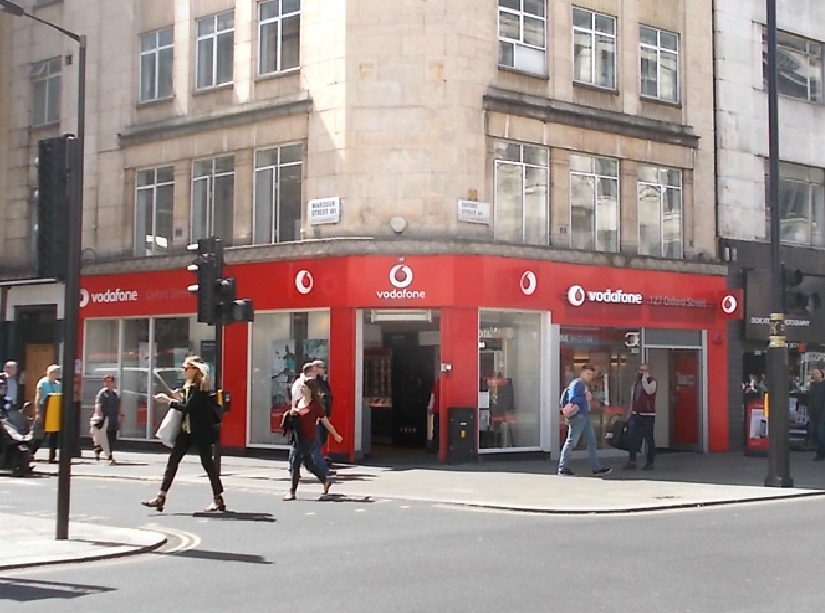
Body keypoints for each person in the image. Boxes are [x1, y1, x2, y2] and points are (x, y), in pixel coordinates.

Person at [141, 356, 225, 513]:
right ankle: (161, 497)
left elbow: (188, 408)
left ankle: (218, 499)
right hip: (186, 431)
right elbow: (186, 403)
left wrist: (168, 401)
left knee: (208, 465)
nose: (183, 371)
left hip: (200, 432)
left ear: (195, 369)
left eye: (185, 368)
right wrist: (177, 397)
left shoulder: (201, 388)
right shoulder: (189, 386)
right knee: (172, 462)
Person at [283, 378, 343, 501]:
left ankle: (294, 490)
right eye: (301, 387)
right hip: (297, 438)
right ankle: (323, 481)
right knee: (300, 463)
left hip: (308, 439)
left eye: (304, 387)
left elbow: (325, 422)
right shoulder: (298, 402)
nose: (301, 389)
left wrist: (335, 435)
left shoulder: (315, 406)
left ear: (310, 389)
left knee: (303, 463)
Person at [558, 365, 611, 477]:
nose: (589, 376)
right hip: (578, 416)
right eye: (587, 373)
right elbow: (573, 399)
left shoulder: (581, 384)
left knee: (591, 441)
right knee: (571, 441)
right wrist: (585, 398)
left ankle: (596, 468)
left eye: (591, 374)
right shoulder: (577, 384)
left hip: (584, 416)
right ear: (582, 373)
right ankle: (563, 467)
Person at [623, 363, 658, 471]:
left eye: (645, 370)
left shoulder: (652, 382)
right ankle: (632, 461)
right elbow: (633, 399)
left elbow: (649, 391)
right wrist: (629, 413)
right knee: (631, 437)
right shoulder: (635, 383)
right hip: (635, 414)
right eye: (641, 370)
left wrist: (644, 380)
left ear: (649, 371)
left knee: (648, 438)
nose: (642, 372)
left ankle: (650, 462)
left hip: (648, 415)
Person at [34, 364, 62, 464]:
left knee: (54, 433)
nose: (56, 374)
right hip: (44, 408)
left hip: (54, 409)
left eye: (57, 372)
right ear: (49, 373)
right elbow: (38, 397)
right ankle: (31, 452)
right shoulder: (42, 383)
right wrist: (37, 412)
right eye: (54, 372)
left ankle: (52, 456)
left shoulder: (58, 384)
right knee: (40, 432)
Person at [93, 374, 121, 465]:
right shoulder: (102, 393)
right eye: (105, 382)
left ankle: (99, 448)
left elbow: (119, 405)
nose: (107, 384)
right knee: (106, 437)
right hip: (105, 418)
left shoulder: (116, 394)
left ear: (113, 383)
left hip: (114, 418)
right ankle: (109, 456)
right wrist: (98, 415)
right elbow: (98, 404)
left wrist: (121, 415)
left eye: (109, 381)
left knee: (112, 436)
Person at [312, 359, 334, 469]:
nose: (324, 370)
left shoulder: (323, 382)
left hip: (325, 415)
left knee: (322, 438)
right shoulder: (313, 382)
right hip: (317, 417)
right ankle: (319, 466)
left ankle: (316, 461)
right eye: (322, 367)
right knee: (317, 440)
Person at [809, 369, 825, 461]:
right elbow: (811, 400)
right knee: (814, 432)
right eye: (814, 373)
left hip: (822, 413)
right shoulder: (812, 386)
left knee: (820, 433)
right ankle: (821, 451)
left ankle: (821, 453)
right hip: (814, 413)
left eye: (817, 373)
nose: (815, 375)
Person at [427, 374, 441, 452]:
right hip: (443, 411)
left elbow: (433, 397)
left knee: (436, 429)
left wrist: (430, 407)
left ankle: (435, 446)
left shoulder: (437, 383)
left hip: (437, 410)